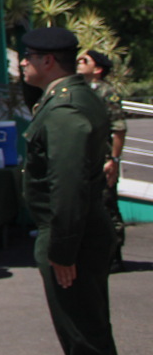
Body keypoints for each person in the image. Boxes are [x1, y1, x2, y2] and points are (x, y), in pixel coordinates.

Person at [20, 27, 122, 355]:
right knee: (84, 324)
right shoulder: (73, 95)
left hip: (71, 235)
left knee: (84, 330)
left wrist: (62, 250)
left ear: (48, 62)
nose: (22, 63)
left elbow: (67, 188)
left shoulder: (64, 108)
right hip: (76, 230)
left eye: (28, 56)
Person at [77, 49, 127, 272]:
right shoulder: (79, 90)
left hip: (102, 158)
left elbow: (118, 128)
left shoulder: (107, 92)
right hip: (83, 159)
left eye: (84, 60)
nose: (79, 63)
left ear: (97, 69)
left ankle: (114, 254)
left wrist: (114, 160)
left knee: (107, 205)